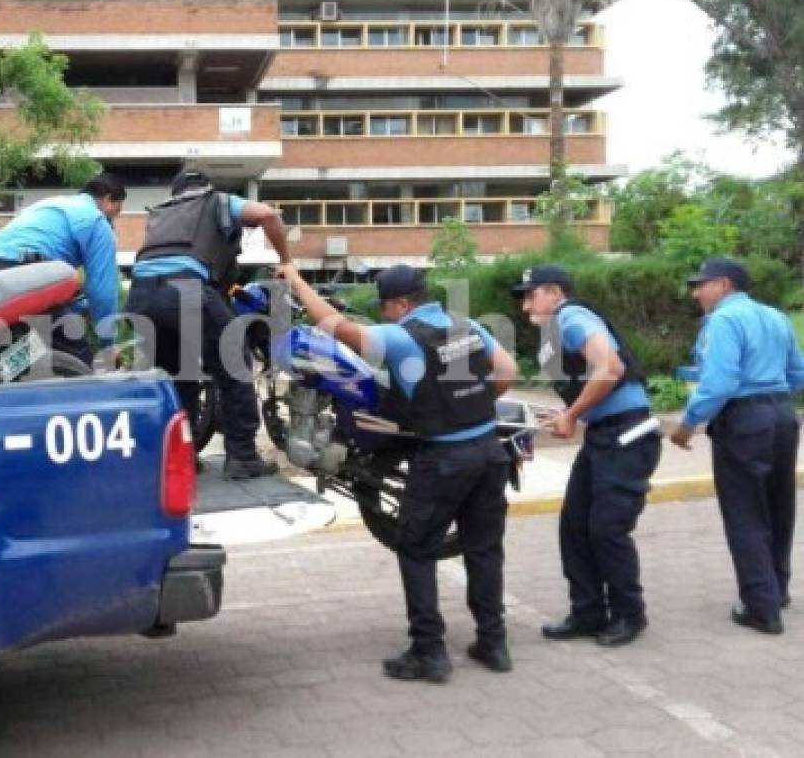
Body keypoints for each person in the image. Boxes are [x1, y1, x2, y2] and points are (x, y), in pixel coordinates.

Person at [280, 262, 518, 683]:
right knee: (483, 549)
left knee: (415, 549)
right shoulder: (464, 325)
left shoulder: (400, 336)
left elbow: (333, 326)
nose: (384, 315)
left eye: (386, 307)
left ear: (401, 303)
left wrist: (298, 282)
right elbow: (507, 372)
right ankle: (493, 643)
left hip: (444, 457)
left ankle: (429, 651)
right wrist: (472, 406)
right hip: (489, 452)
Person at [513, 264, 660, 648]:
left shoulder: (572, 316)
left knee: (607, 529)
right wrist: (570, 414)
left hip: (628, 433)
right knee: (575, 527)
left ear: (555, 292)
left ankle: (629, 615)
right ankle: (588, 613)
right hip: (604, 434)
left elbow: (611, 367)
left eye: (532, 294)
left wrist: (572, 414)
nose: (525, 303)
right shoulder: (556, 329)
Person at [125, 169, 290, 480]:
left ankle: (180, 455)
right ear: (205, 188)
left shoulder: (161, 213)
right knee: (234, 366)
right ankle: (242, 456)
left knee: (178, 378)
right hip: (186, 290)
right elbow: (267, 214)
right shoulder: (218, 201)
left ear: (176, 192)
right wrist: (285, 259)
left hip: (141, 297)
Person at [670, 257, 804, 634]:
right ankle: (776, 590)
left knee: (745, 511)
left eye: (702, 284)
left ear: (724, 285)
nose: (696, 293)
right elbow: (798, 371)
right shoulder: (776, 317)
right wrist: (771, 398)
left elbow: (719, 383)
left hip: (744, 420)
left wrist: (688, 424)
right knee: (779, 506)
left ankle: (761, 608)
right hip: (782, 416)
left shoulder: (723, 321)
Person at [0, 173, 127, 365]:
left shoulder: (53, 204)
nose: (113, 221)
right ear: (107, 200)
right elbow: (102, 290)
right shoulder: (97, 221)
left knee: (33, 343)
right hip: (25, 273)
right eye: (117, 211)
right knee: (77, 357)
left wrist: (80, 308)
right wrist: (108, 345)